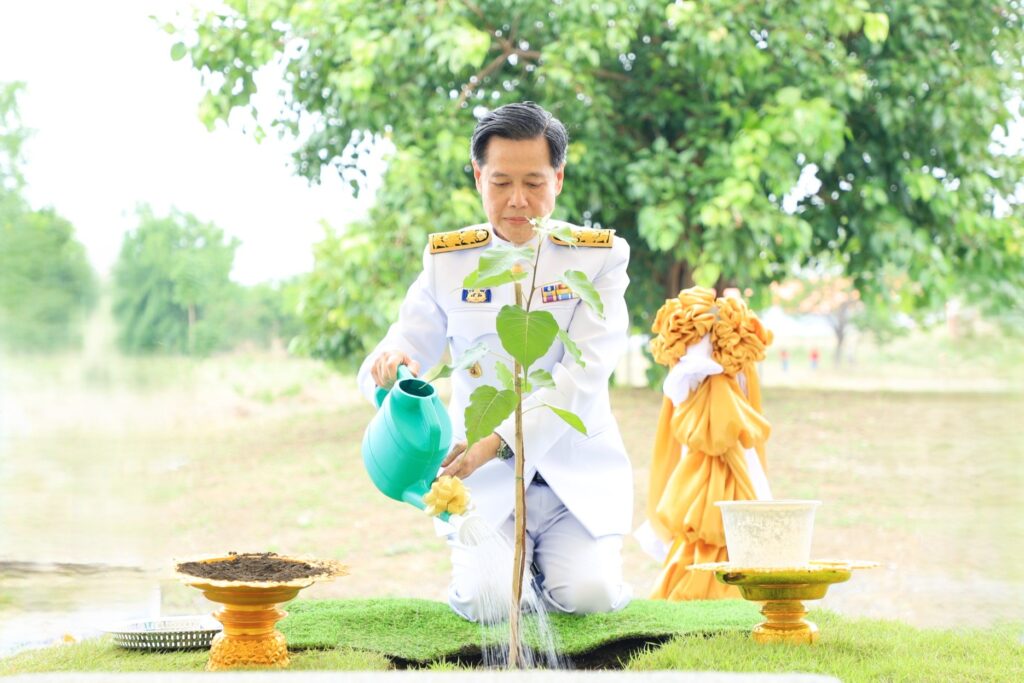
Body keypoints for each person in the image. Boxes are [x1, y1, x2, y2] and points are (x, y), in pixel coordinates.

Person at [356, 102, 633, 622]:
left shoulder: (597, 257)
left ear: (559, 178)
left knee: (590, 597)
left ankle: (549, 574)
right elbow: (406, 342)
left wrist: (496, 442)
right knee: (491, 603)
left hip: (574, 480)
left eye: (534, 182)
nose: (517, 200)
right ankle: (511, 577)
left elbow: (583, 376)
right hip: (482, 487)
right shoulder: (449, 260)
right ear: (478, 177)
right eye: (501, 182)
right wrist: (393, 363)